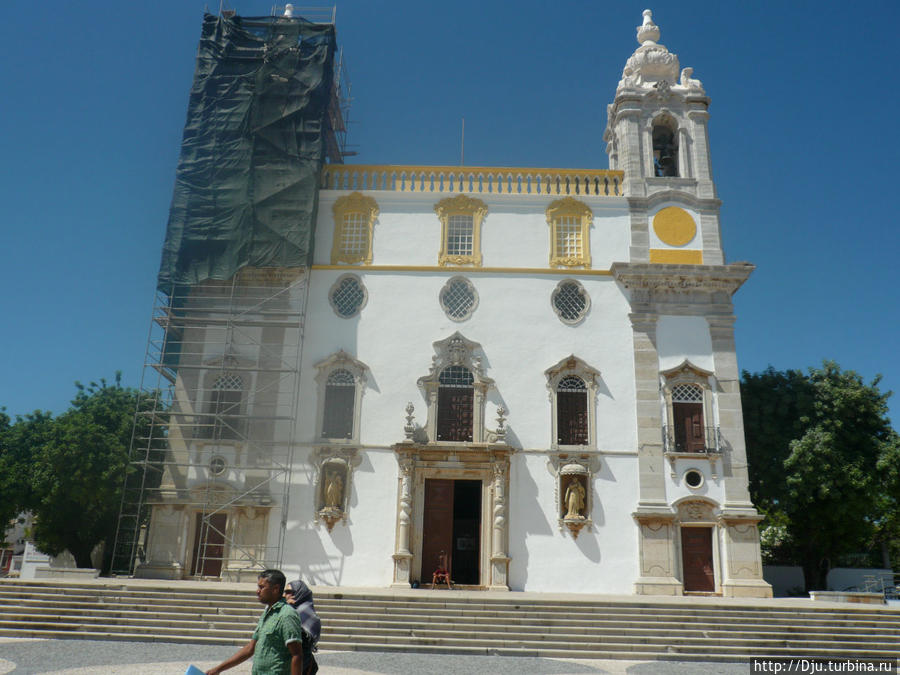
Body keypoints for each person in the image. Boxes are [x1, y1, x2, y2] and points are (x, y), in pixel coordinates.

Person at [206, 569, 304, 675]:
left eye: (262, 587)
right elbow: (250, 648)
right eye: (258, 587)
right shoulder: (267, 612)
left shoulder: (287, 615)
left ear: (275, 589)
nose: (258, 591)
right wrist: (218, 669)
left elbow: (297, 654)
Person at [284, 579, 321, 675]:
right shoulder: (286, 610)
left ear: (299, 593)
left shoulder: (310, 616)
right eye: (284, 592)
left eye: (288, 592)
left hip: (300, 663)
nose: (284, 595)